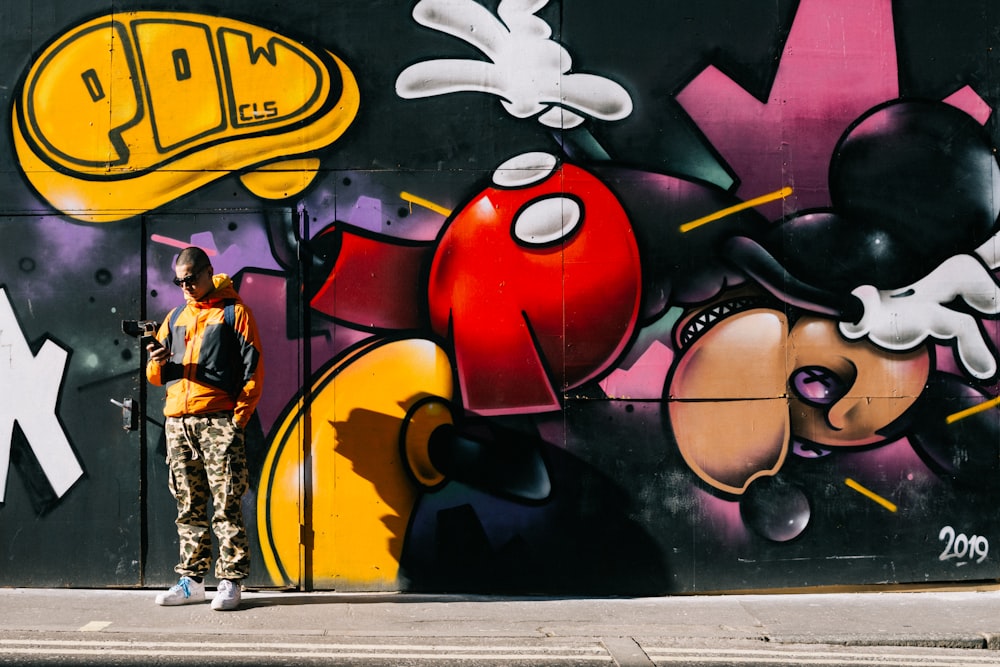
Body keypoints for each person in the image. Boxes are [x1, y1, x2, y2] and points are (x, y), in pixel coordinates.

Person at [145, 247, 264, 611]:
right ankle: (191, 581)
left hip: (218, 422)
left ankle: (230, 580)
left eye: (191, 279)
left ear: (208, 272)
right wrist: (156, 362)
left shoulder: (233, 313)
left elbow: (253, 371)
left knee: (227, 502)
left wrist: (236, 421)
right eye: (179, 281)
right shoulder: (176, 317)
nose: (185, 287)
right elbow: (157, 378)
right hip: (178, 423)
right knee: (188, 504)